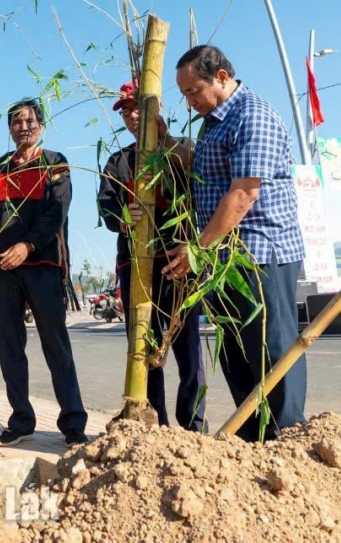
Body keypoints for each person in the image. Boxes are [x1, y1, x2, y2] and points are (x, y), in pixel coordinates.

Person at [161, 45, 306, 442]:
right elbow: (203, 171)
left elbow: (243, 194)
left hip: (261, 254)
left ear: (221, 77)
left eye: (194, 91)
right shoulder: (213, 120)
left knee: (270, 347)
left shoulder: (252, 116)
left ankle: (287, 438)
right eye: (185, 94)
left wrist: (198, 249)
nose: (190, 102)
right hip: (224, 258)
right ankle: (253, 439)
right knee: (236, 352)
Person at [0, 98, 88, 447]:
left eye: (30, 121)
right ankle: (21, 420)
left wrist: (28, 245)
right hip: (1, 268)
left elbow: (56, 210)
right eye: (16, 122)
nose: (23, 127)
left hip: (42, 264)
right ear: (10, 129)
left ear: (41, 126)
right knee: (9, 346)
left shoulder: (55, 163)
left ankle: (73, 423)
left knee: (55, 343)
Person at [97, 82, 206, 432]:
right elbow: (107, 207)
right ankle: (154, 420)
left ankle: (193, 423)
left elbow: (201, 194)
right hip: (136, 264)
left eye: (137, 108)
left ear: (155, 110)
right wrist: (126, 218)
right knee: (145, 346)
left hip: (178, 261)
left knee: (188, 344)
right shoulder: (118, 160)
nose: (131, 116)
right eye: (126, 110)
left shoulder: (183, 150)